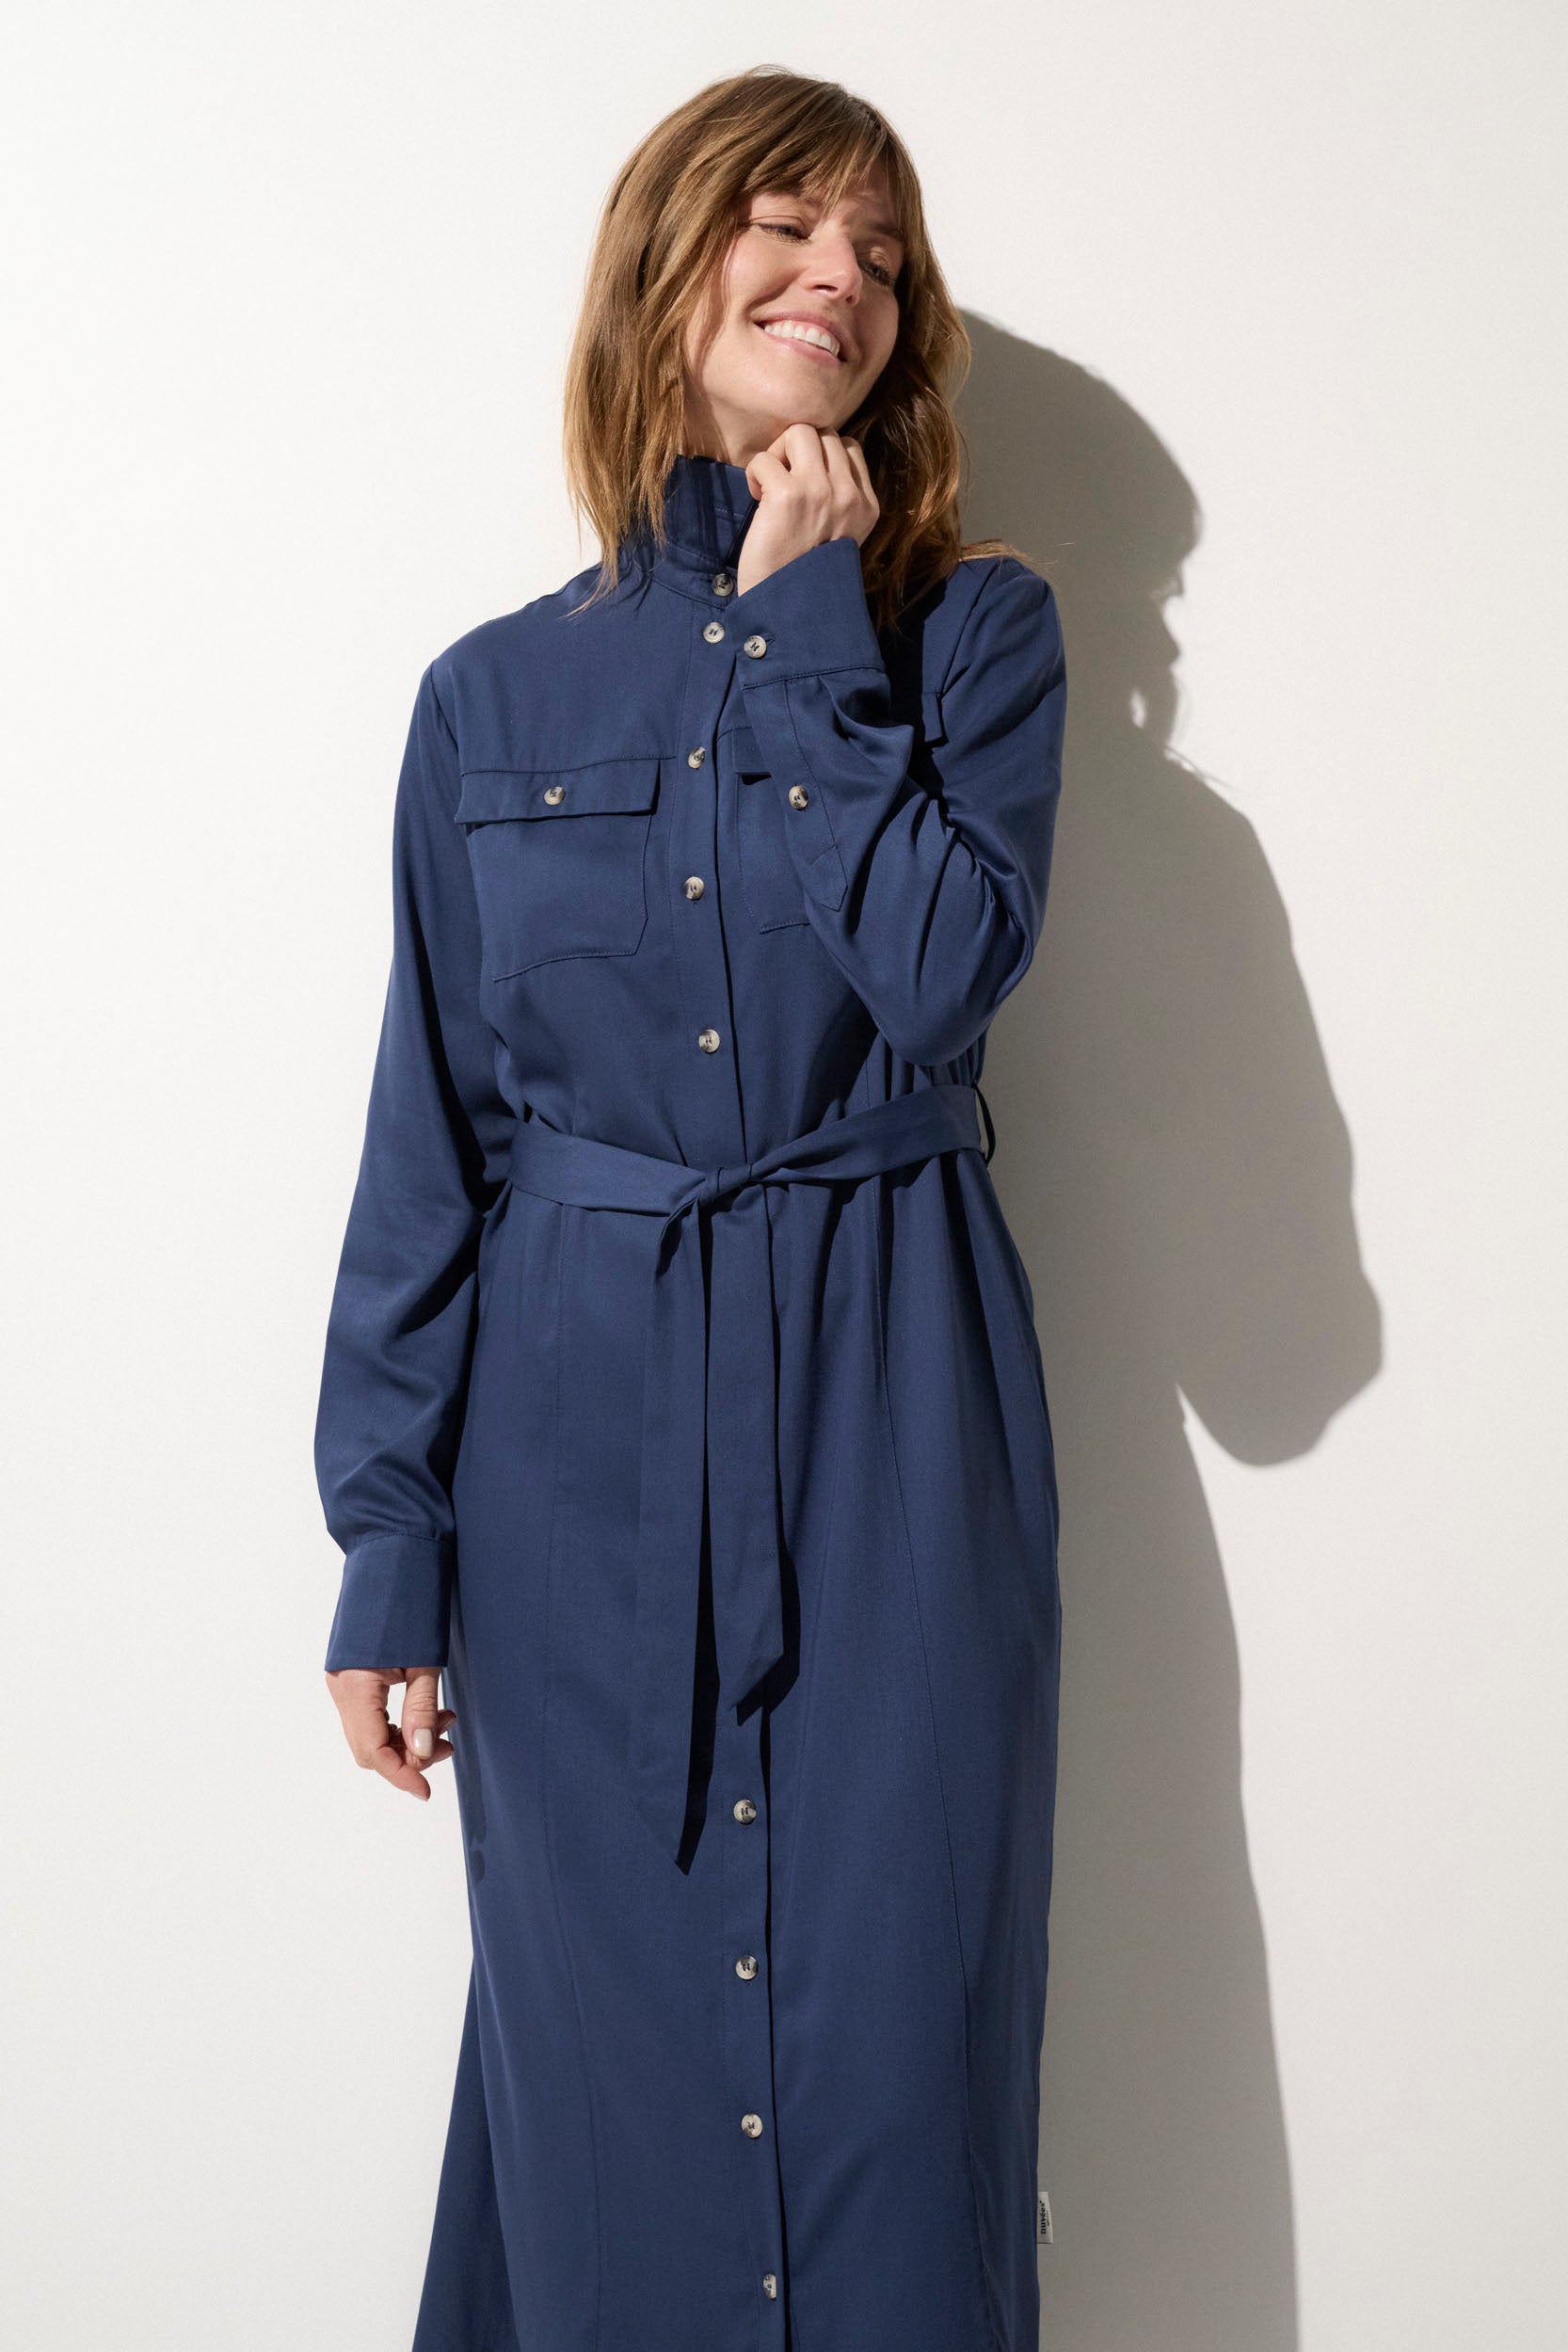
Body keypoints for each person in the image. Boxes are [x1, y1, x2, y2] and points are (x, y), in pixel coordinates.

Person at [315, 64, 1067, 2352]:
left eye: (882, 255)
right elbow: (433, 1137)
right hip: (576, 1464)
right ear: (669, 258)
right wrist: (387, 1542)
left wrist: (810, 627)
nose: (839, 276)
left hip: (892, 1426)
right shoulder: (487, 697)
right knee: (603, 2075)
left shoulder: (971, 640)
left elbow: (940, 975)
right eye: (787, 222)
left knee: (899, 2061)